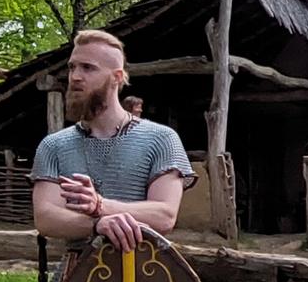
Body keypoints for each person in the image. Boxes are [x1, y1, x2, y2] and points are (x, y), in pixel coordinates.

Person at [32, 30, 192, 254]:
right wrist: (97, 225)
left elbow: (165, 215)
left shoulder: (161, 139)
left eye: (88, 68)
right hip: (77, 273)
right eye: (72, 67)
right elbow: (45, 217)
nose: (75, 76)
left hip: (143, 270)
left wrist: (100, 206)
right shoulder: (54, 145)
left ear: (117, 77)